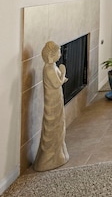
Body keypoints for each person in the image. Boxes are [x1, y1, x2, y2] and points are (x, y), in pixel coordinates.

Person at [33, 41, 69, 171]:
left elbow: (58, 81)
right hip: (52, 103)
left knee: (59, 125)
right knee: (54, 125)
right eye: (58, 53)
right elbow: (57, 83)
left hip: (57, 99)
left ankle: (59, 153)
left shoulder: (52, 66)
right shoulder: (48, 69)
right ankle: (48, 158)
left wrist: (61, 72)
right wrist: (63, 73)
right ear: (50, 55)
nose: (59, 54)